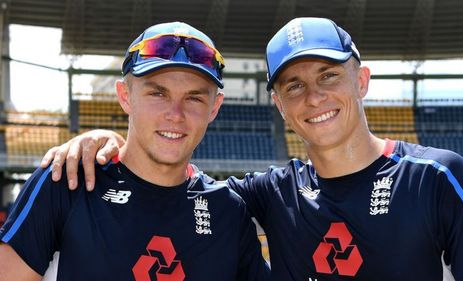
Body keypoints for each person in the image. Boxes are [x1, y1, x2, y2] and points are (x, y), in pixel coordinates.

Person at [40, 17, 463, 281]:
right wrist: (109, 142)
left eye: (328, 76)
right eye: (294, 85)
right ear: (278, 104)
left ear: (361, 81)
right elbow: (169, 178)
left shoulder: (439, 177)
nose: (313, 98)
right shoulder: (271, 193)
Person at [0, 21, 271, 281]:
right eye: (158, 94)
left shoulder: (229, 211)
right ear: (125, 96)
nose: (175, 115)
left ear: (214, 107)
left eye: (194, 97)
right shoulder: (67, 180)